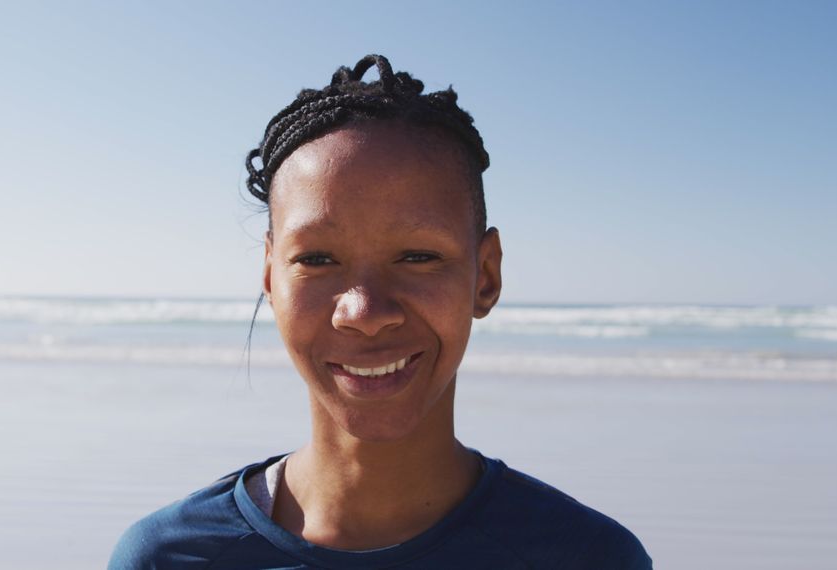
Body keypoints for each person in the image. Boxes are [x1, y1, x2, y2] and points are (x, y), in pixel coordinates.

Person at [109, 54, 651, 569]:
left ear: (485, 276)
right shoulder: (168, 558)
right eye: (317, 259)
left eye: (418, 256)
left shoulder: (587, 559)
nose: (364, 312)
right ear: (271, 277)